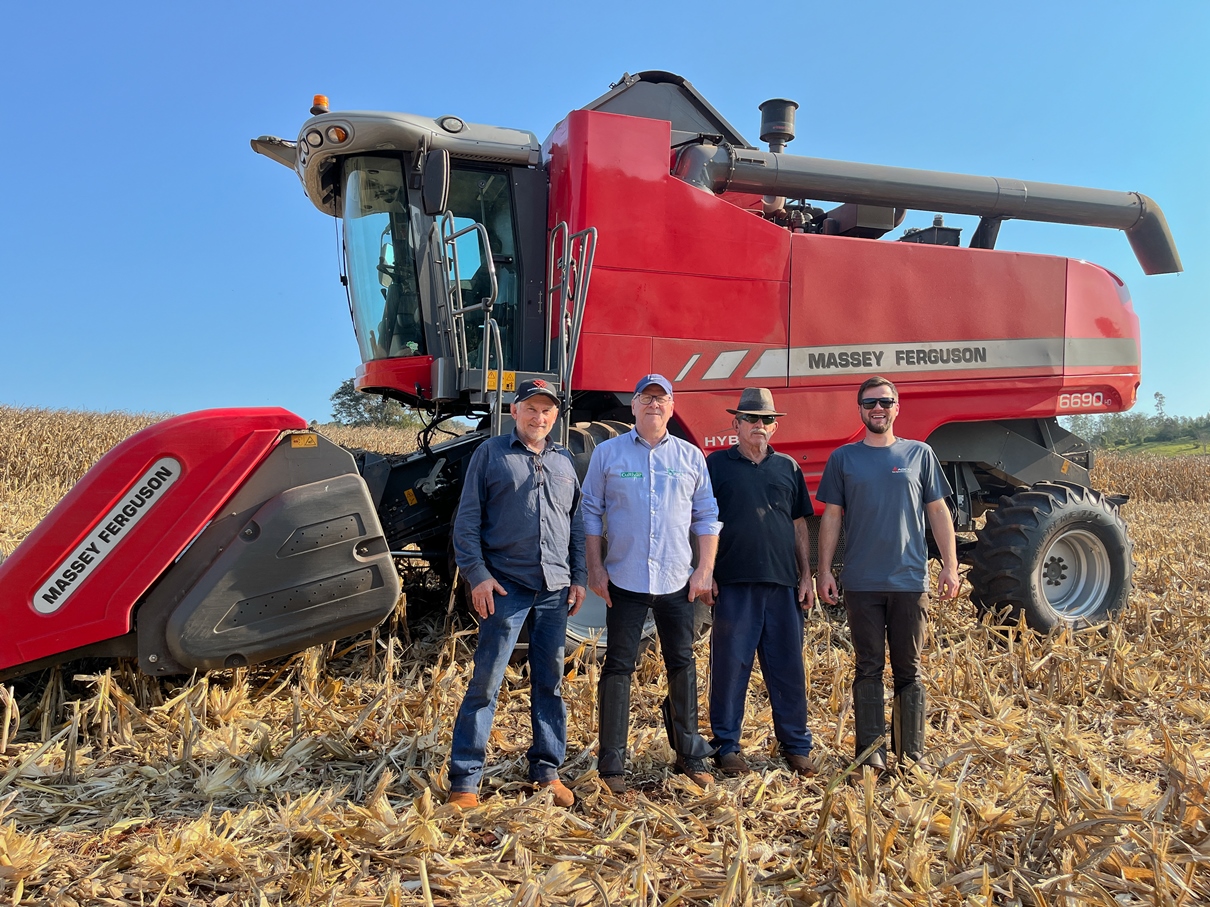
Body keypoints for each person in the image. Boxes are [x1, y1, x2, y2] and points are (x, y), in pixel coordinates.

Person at [447, 379, 587, 808]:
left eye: (547, 410)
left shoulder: (565, 461)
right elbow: (467, 520)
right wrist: (478, 576)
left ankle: (546, 772)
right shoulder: (489, 454)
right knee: (486, 683)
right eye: (531, 408)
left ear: (555, 417)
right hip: (505, 586)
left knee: (551, 682)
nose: (539, 417)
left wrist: (578, 576)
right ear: (514, 411)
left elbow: (576, 525)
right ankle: (465, 782)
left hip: (554, 590)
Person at [583, 374, 721, 794]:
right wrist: (594, 568)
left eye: (661, 400)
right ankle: (611, 766)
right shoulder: (607, 454)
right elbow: (590, 512)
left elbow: (707, 514)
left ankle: (690, 756)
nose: (654, 406)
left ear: (672, 405)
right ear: (634, 406)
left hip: (677, 580)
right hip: (624, 578)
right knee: (618, 667)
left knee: (682, 664)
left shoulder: (691, 456)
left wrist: (705, 569)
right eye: (646, 399)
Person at [816, 376, 960, 774]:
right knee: (867, 667)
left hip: (910, 582)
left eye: (885, 402)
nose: (877, 409)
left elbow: (937, 511)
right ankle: (871, 753)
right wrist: (824, 570)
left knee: (909, 669)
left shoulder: (920, 454)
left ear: (897, 407)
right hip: (861, 583)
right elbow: (830, 516)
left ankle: (910, 753)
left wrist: (950, 563)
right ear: (860, 409)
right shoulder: (843, 459)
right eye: (869, 403)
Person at [705, 388, 817, 777]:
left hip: (783, 584)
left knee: (788, 668)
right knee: (730, 667)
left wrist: (806, 576)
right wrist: (707, 572)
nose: (759, 425)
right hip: (733, 583)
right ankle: (727, 747)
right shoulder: (715, 465)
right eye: (751, 419)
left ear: (775, 425)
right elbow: (701, 521)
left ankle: (796, 746)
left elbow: (799, 523)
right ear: (735, 423)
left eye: (766, 419)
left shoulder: (788, 467)